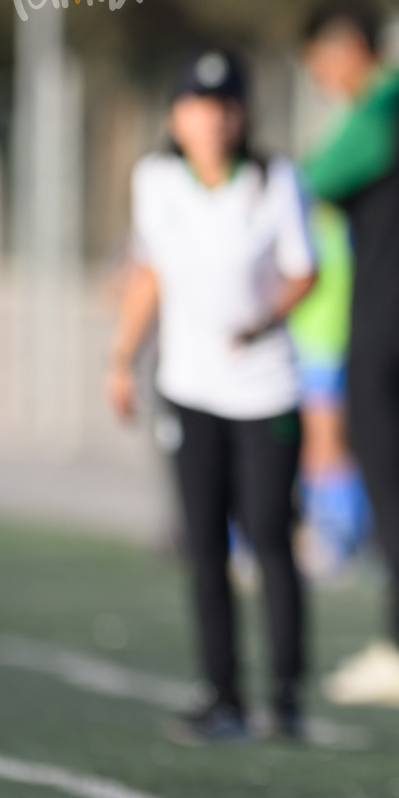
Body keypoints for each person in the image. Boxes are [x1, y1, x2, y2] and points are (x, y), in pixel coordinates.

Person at [108, 50, 316, 743]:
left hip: (264, 387)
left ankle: (284, 693)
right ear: (176, 116)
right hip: (189, 386)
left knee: (271, 536)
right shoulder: (157, 180)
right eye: (199, 105)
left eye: (226, 105)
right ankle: (221, 693)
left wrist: (260, 319)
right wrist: (121, 357)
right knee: (204, 545)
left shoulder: (273, 180)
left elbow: (301, 270)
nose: (213, 119)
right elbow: (149, 271)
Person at [300, 0, 399, 707]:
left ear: (347, 50)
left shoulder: (378, 115)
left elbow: (312, 181)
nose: (322, 79)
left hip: (381, 326)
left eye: (322, 64)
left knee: (389, 486)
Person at [288, 199, 370, 582]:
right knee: (323, 443)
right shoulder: (341, 222)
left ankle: (336, 537)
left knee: (324, 444)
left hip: (320, 344)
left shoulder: (321, 222)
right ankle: (337, 534)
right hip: (324, 343)